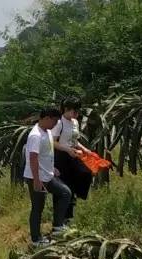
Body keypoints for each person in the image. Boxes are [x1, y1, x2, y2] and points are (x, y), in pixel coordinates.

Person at [23, 106, 73, 246]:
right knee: (38, 207)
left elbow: (47, 153)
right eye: (55, 121)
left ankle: (57, 226)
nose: (56, 124)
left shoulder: (47, 131)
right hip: (36, 177)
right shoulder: (35, 135)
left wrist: (53, 168)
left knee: (65, 193)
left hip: (47, 174)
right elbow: (33, 158)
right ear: (46, 118)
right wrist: (37, 180)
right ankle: (36, 239)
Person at [52, 97, 93, 225]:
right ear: (66, 109)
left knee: (84, 174)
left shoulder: (75, 122)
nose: (76, 114)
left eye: (77, 111)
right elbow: (53, 142)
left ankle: (69, 216)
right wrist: (67, 149)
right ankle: (60, 220)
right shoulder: (59, 123)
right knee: (65, 187)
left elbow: (75, 141)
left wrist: (86, 150)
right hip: (61, 157)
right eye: (74, 111)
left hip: (73, 155)